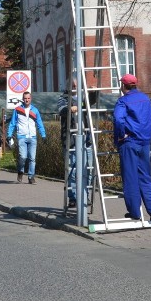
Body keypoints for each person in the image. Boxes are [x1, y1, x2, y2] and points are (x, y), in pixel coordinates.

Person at [113, 74, 151, 222]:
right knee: (145, 176)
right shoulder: (145, 99)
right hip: (144, 142)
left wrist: (121, 135)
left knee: (131, 178)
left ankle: (135, 212)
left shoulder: (123, 101)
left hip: (130, 142)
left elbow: (118, 119)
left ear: (124, 86)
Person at [58, 80, 91, 208]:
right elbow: (61, 109)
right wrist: (69, 108)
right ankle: (73, 198)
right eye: (72, 85)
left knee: (87, 169)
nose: (75, 87)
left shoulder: (84, 97)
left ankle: (85, 196)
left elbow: (92, 101)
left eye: (77, 85)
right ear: (68, 87)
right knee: (72, 170)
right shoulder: (64, 98)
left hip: (86, 139)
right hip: (71, 140)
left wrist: (94, 92)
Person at [7, 91, 47, 184]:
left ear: (31, 99)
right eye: (25, 98)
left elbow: (39, 123)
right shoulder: (17, 110)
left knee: (32, 158)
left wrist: (43, 135)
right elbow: (12, 123)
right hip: (22, 137)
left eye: (28, 98)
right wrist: (9, 135)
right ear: (23, 99)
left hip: (32, 137)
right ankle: (20, 171)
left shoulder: (35, 110)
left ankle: (31, 177)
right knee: (23, 157)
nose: (27, 100)